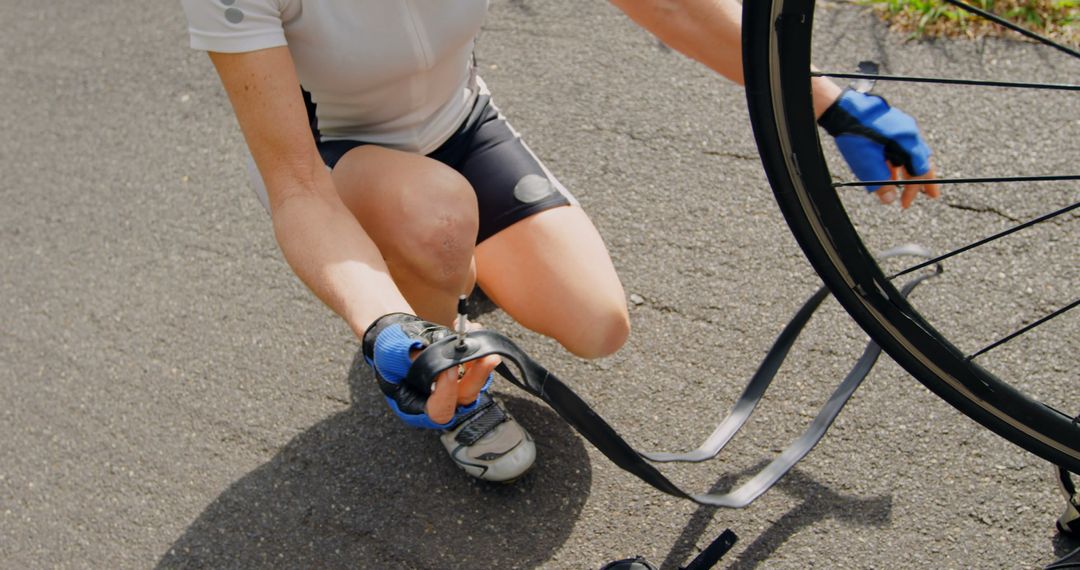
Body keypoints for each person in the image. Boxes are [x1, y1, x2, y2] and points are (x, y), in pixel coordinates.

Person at [180, 0, 940, 483]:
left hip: (457, 123)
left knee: (597, 324)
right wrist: (383, 322)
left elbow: (672, 5)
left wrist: (832, 105)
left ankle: (436, 269)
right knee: (438, 219)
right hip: (336, 161)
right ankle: (439, 342)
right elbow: (296, 188)